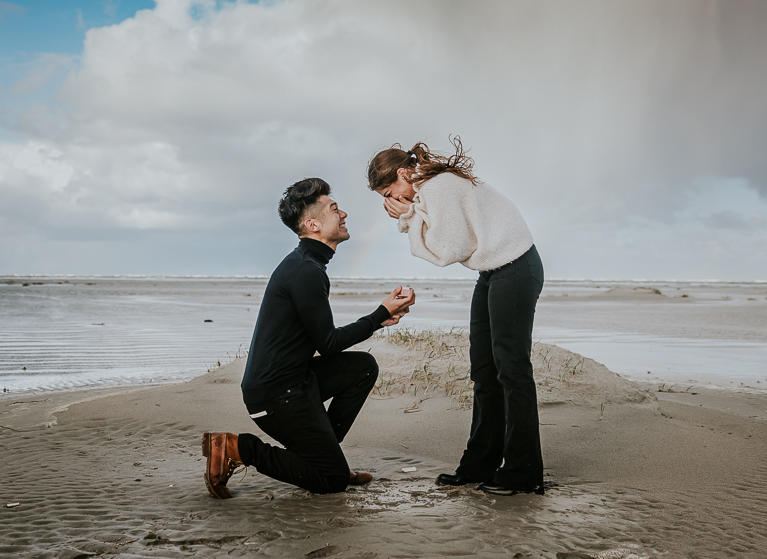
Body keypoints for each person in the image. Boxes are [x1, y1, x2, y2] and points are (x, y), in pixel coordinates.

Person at [203, 177, 416, 499]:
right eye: (334, 209)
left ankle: (325, 453)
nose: (343, 214)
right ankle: (237, 447)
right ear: (313, 224)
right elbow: (327, 344)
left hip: (296, 382)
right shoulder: (305, 270)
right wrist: (378, 315)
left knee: (361, 367)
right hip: (275, 395)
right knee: (331, 481)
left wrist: (380, 317)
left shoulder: (308, 264)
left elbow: (323, 344)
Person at [366, 137, 545, 495]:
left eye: (390, 190)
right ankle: (479, 464)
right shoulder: (428, 190)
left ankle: (524, 473)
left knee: (511, 370)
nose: (391, 200)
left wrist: (407, 218)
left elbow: (449, 249)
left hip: (516, 266)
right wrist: (411, 215)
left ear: (404, 173)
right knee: (483, 370)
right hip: (493, 270)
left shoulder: (438, 186)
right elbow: (443, 240)